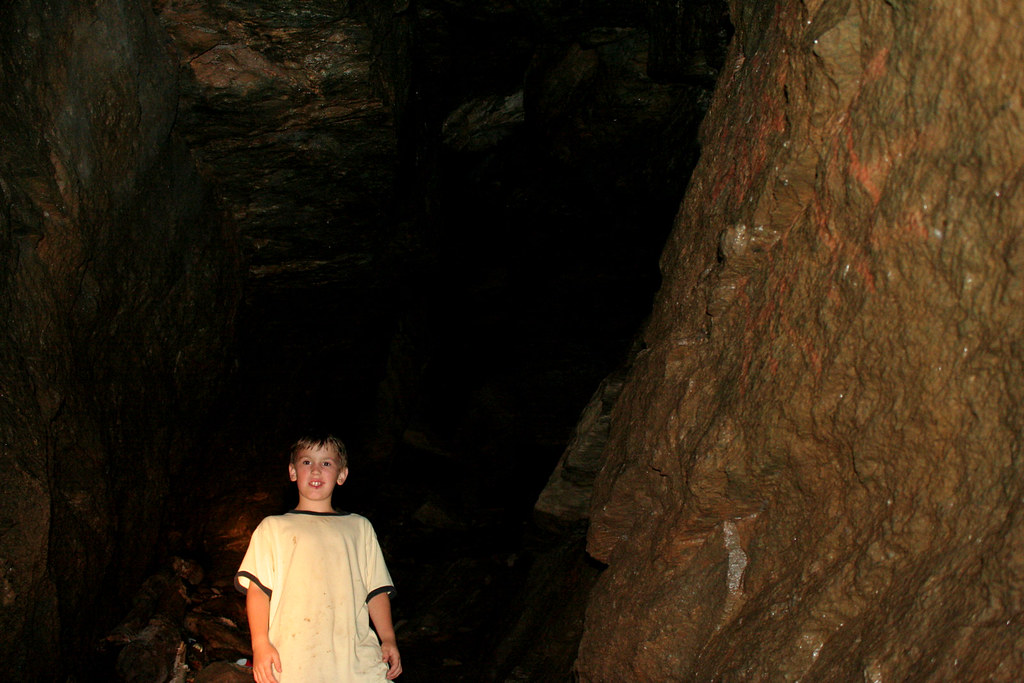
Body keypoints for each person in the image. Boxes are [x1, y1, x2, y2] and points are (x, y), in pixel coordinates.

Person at [235, 435, 402, 682]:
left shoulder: (359, 528)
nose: (315, 470)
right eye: (306, 462)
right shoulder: (273, 528)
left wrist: (388, 638)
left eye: (326, 463)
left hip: (354, 658)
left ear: (342, 474)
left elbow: (375, 589)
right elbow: (258, 591)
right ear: (292, 472)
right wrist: (260, 645)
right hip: (294, 658)